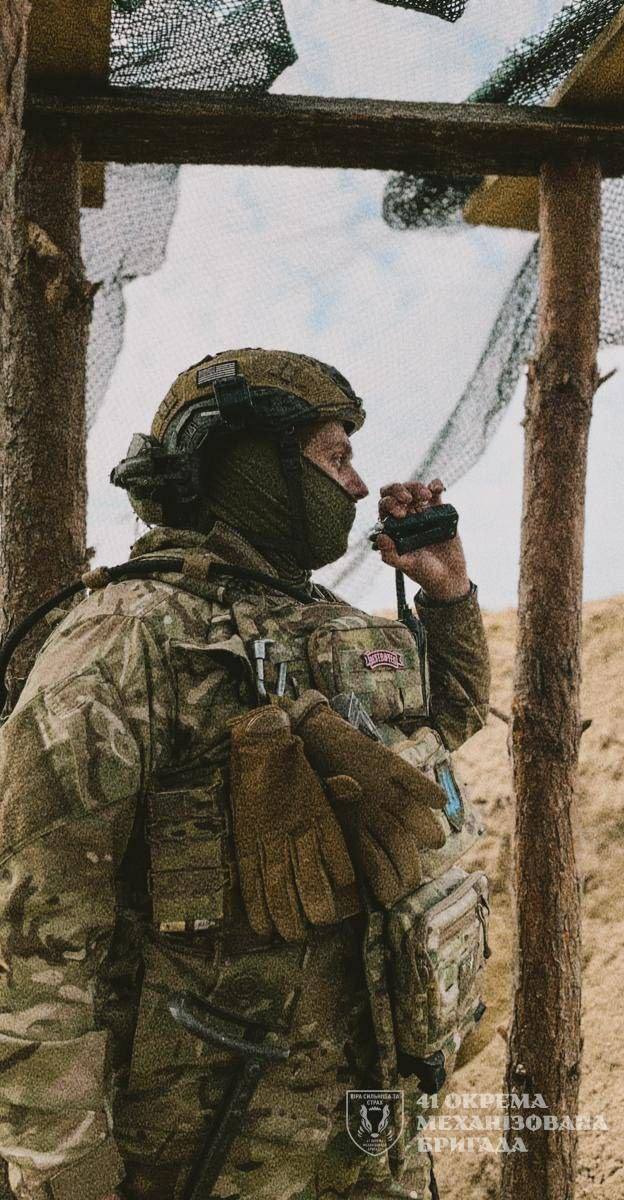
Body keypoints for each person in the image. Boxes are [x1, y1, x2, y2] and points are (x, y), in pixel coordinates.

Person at [0, 349, 491, 1200]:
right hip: (208, 1152)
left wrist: (446, 595)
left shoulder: (318, 619)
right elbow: (33, 936)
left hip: (363, 1125)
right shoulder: (123, 642)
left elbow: (443, 725)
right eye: (334, 458)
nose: (356, 486)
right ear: (248, 465)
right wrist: (65, 1172)